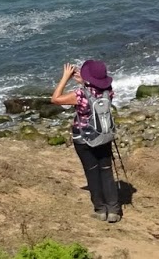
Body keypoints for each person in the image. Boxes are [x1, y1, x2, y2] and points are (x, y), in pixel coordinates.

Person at [51, 60, 122, 223]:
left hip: (84, 138)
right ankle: (113, 210)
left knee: (92, 172)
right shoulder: (108, 91)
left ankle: (100, 209)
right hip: (103, 135)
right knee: (106, 171)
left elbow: (55, 99)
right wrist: (85, 81)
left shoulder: (80, 94)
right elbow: (95, 91)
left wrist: (65, 77)